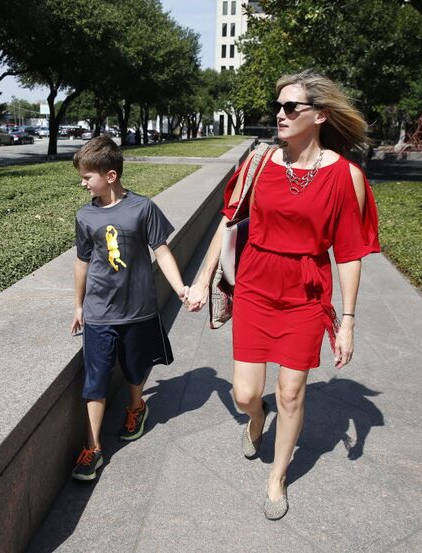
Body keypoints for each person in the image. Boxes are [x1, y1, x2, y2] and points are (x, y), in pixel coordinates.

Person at [186, 70, 380, 519]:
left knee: (291, 393)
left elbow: (349, 253)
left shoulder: (346, 176)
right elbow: (228, 221)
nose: (280, 114)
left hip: (306, 293)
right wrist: (202, 277)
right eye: (279, 106)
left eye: (291, 107)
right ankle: (257, 420)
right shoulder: (259, 164)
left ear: (320, 115)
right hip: (255, 287)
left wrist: (347, 321)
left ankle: (277, 476)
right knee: (244, 394)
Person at [70, 136, 188, 481]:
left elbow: (161, 251)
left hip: (137, 308)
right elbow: (82, 262)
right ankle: (92, 448)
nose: (82, 183)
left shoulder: (142, 208)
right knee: (95, 379)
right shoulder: (85, 215)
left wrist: (180, 287)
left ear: (109, 176)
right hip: (99, 312)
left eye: (87, 177)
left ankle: (137, 407)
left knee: (136, 369)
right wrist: (78, 305)